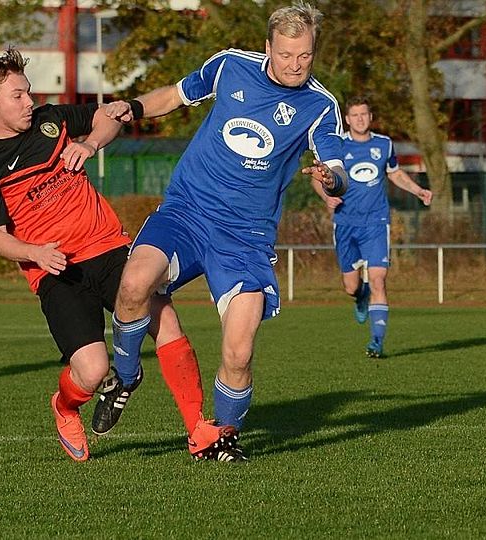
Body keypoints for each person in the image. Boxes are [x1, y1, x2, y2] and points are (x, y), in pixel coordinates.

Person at [101, 1, 347, 461]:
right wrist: (132, 107)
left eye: (305, 55)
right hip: (187, 212)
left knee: (238, 352)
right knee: (134, 284)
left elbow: (336, 165)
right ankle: (127, 375)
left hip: (246, 238)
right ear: (268, 47)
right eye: (286, 54)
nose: (295, 65)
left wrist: (331, 178)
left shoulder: (320, 105)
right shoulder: (231, 65)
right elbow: (175, 95)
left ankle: (221, 437)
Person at [0, 48, 206, 462]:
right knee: (92, 371)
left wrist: (91, 143)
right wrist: (34, 253)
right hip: (56, 271)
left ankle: (200, 430)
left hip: (108, 248)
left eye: (28, 92)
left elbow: (109, 115)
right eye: (18, 96)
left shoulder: (51, 120)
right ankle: (65, 406)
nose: (29, 102)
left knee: (165, 321)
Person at [313, 95, 432, 358]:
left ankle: (376, 342)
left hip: (376, 222)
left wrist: (418, 191)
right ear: (347, 119)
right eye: (355, 115)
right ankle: (360, 295)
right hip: (345, 222)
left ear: (371, 117)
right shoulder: (337, 145)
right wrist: (327, 196)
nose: (360, 119)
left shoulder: (384, 144)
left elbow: (395, 173)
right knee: (351, 287)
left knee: (379, 279)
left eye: (364, 114)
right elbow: (318, 179)